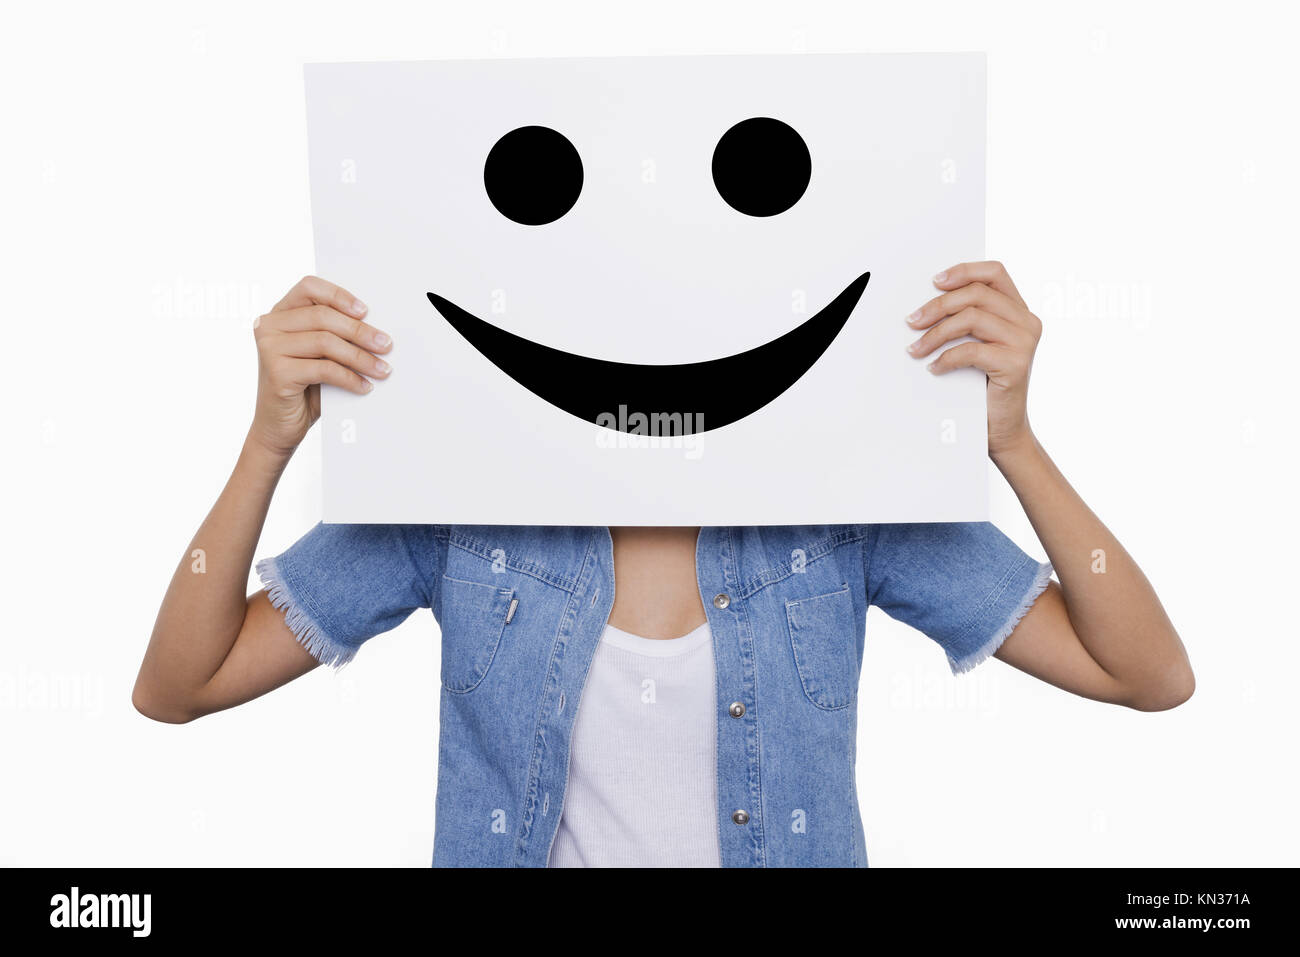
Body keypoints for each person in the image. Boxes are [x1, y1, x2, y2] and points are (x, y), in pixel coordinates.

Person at [134, 262, 1193, 867]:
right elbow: (180, 684)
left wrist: (1009, 442)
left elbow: (1144, 674)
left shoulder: (840, 500)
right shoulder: (462, 497)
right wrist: (267, 444)